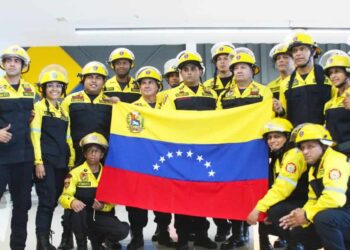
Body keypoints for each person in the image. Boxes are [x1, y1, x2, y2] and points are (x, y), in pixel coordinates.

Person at [216, 48, 273, 249]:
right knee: (234, 191)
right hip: (232, 150)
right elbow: (217, 121)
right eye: (236, 68)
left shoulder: (264, 92)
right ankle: (237, 233)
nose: (239, 71)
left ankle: (262, 235)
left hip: (256, 149)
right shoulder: (224, 94)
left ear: (252, 70)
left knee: (257, 189)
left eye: (243, 67)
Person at [161, 50, 218, 250]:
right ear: (181, 73)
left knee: (203, 193)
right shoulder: (172, 95)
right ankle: (183, 237)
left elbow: (220, 122)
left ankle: (202, 234)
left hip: (205, 153)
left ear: (201, 71)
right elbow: (168, 123)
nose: (189, 73)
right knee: (182, 194)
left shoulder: (212, 95)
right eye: (185, 70)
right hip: (182, 154)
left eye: (193, 69)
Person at [60, 61, 112, 249]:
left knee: (104, 197)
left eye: (98, 78)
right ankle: (67, 238)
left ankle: (105, 238)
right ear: (83, 80)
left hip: (103, 159)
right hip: (76, 157)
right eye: (90, 77)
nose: (94, 81)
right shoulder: (70, 100)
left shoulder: (111, 103)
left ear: (104, 81)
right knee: (72, 198)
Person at [127, 66, 176, 250]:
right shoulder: (133, 109)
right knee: (136, 203)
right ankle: (137, 237)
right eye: (143, 83)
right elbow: (134, 133)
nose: (147, 86)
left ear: (158, 85)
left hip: (164, 161)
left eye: (151, 82)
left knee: (163, 200)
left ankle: (163, 233)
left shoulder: (169, 105)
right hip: (141, 162)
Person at [280, 123, 350, 250]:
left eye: (310, 146)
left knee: (323, 219)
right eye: (302, 148)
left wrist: (307, 215)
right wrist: (301, 214)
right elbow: (313, 199)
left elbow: (334, 199)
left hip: (344, 211)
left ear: (323, 145)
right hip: (341, 214)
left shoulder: (335, 160)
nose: (305, 152)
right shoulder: (314, 168)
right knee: (297, 226)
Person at [59, 132, 129, 250]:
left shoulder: (108, 175)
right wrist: (72, 202)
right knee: (77, 212)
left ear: (101, 155)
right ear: (85, 154)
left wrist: (103, 207)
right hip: (80, 218)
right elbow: (63, 197)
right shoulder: (75, 173)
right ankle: (82, 245)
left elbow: (113, 201)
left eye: (96, 151)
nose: (93, 154)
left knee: (123, 229)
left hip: (99, 217)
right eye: (90, 151)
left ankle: (103, 241)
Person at [31, 65, 75, 250]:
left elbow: (69, 138)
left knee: (57, 199)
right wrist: (38, 162)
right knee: (47, 202)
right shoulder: (38, 108)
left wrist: (71, 162)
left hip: (62, 163)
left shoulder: (63, 111)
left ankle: (48, 241)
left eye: (58, 86)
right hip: (46, 163)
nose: (55, 89)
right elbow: (35, 134)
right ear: (43, 89)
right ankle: (42, 243)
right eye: (50, 86)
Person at [246, 118, 308, 250]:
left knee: (274, 211)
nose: (272, 141)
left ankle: (297, 244)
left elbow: (282, 188)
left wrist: (258, 209)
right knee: (267, 209)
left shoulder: (293, 155)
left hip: (305, 202)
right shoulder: (278, 156)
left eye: (277, 136)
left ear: (287, 137)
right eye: (269, 137)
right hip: (293, 200)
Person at [0, 45, 35, 250]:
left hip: (23, 157)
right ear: (3, 64)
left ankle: (18, 247)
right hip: (1, 157)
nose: (12, 64)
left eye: (16, 61)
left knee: (22, 206)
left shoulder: (30, 89)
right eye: (8, 60)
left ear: (23, 65)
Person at [275, 30, 334, 126]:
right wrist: (280, 111)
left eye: (302, 49)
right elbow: (284, 116)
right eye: (294, 51)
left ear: (313, 51)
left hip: (324, 136)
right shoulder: (285, 83)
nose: (298, 53)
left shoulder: (328, 79)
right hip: (298, 137)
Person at [321, 50, 350, 157]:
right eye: (330, 73)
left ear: (347, 72)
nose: (333, 76)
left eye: (337, 71)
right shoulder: (329, 104)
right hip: (335, 155)